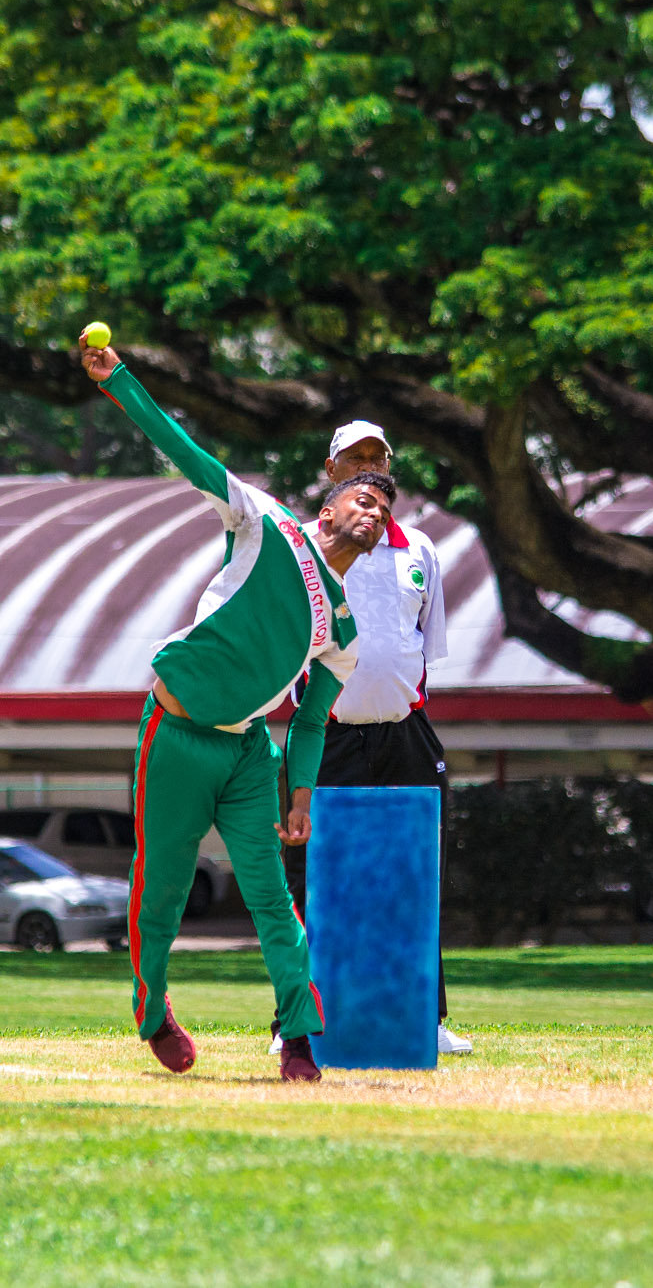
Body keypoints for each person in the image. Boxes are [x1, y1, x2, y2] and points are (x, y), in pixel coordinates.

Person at [80, 333, 391, 1083]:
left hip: (251, 754)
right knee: (162, 890)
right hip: (177, 733)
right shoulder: (265, 520)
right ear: (329, 504)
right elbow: (184, 452)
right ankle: (152, 1012)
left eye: (384, 506)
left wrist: (301, 796)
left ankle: (299, 1037)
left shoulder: (345, 632)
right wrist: (119, 380)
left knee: (272, 899)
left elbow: (310, 721)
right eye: (364, 495)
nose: (375, 508)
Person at [269, 421, 469, 1059]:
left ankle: (426, 1018)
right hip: (323, 736)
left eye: (377, 459)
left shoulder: (420, 550)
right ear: (329, 471)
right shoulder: (301, 545)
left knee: (419, 874)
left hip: (405, 735)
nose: (367, 468)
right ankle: (292, 1022)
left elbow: (423, 648)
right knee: (306, 880)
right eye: (353, 459)